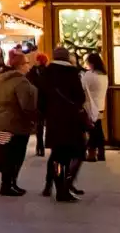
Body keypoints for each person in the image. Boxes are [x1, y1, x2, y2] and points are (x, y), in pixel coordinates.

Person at [41, 47, 87, 202]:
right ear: (67, 57)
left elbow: (41, 97)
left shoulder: (46, 72)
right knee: (71, 154)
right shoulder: (72, 73)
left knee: (57, 155)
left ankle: (55, 185)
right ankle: (64, 189)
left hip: (53, 120)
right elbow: (80, 97)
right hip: (70, 120)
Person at [0, 49, 39, 197]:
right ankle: (9, 184)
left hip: (2, 121)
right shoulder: (21, 81)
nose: (29, 66)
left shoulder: (2, 78)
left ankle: (8, 184)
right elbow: (25, 104)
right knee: (16, 154)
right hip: (16, 122)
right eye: (26, 63)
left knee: (6, 153)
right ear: (20, 66)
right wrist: (34, 117)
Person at [82, 53, 108, 162]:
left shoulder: (89, 75)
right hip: (101, 105)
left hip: (90, 106)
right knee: (98, 128)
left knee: (92, 130)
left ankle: (91, 153)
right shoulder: (104, 75)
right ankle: (101, 152)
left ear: (91, 63)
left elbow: (82, 87)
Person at [27, 53, 50, 157]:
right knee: (47, 124)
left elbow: (29, 82)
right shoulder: (49, 71)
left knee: (39, 125)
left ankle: (39, 147)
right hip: (47, 101)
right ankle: (45, 145)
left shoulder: (33, 71)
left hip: (37, 100)